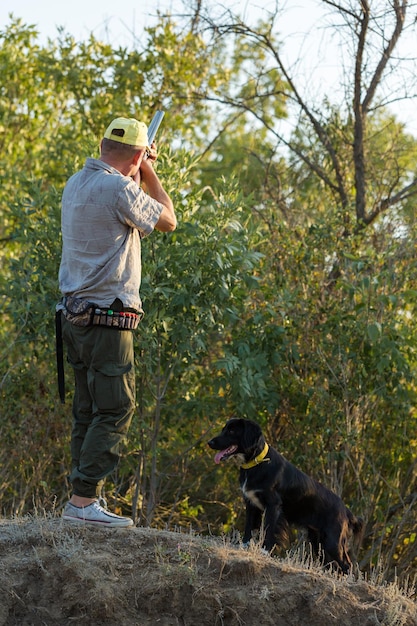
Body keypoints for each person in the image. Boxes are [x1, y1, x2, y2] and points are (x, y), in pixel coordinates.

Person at [57, 116, 176, 527]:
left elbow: (125, 216)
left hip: (74, 319)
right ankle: (83, 502)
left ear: (103, 143)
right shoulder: (121, 187)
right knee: (117, 409)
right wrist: (149, 170)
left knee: (87, 411)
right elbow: (166, 219)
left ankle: (81, 499)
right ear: (138, 155)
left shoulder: (77, 183)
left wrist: (136, 167)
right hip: (109, 321)